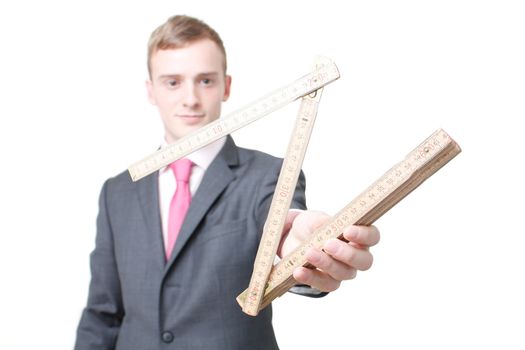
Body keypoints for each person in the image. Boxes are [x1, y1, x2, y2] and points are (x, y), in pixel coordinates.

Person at [75, 14, 380, 350]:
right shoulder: (116, 192)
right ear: (151, 90)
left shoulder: (271, 175)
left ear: (226, 85)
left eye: (205, 81)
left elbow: (287, 231)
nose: (190, 98)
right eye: (172, 82)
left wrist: (302, 255)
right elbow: (102, 314)